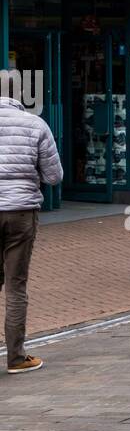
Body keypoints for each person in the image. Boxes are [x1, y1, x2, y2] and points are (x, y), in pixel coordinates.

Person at [0, 73, 63, 374]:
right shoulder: (35, 125)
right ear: (21, 94)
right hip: (21, 212)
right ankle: (15, 357)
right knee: (15, 286)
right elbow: (54, 176)